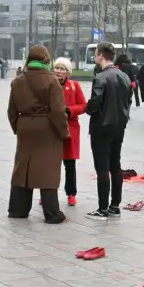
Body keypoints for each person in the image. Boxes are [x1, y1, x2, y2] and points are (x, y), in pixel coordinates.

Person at [7, 46, 69, 223]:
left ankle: (18, 209)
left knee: (22, 167)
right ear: (46, 60)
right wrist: (63, 131)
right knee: (48, 168)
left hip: (25, 125)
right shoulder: (52, 81)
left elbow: (11, 111)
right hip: (47, 127)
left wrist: (18, 128)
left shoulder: (18, 81)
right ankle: (52, 213)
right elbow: (58, 111)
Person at [86, 43, 132, 220]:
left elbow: (94, 103)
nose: (95, 58)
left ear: (100, 56)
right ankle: (114, 205)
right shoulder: (124, 77)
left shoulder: (101, 77)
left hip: (101, 127)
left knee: (102, 167)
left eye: (96, 55)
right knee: (115, 165)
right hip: (119, 126)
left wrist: (88, 109)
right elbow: (127, 102)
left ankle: (102, 208)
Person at [54, 57, 87, 207]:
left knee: (70, 163)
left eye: (62, 69)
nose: (59, 71)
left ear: (68, 72)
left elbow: (84, 105)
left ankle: (71, 194)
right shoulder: (49, 85)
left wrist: (70, 111)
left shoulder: (74, 86)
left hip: (70, 128)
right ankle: (48, 193)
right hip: (52, 128)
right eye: (57, 68)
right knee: (51, 163)